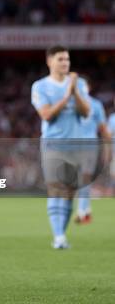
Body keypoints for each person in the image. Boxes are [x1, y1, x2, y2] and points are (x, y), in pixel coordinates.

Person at [31, 46, 90, 249]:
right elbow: (46, 115)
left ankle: (61, 234)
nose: (65, 63)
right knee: (56, 189)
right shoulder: (40, 87)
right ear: (50, 61)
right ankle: (58, 237)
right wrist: (66, 96)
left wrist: (74, 91)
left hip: (77, 144)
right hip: (53, 144)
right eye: (60, 59)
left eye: (67, 59)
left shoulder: (79, 84)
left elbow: (85, 112)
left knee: (70, 192)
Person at [75, 78, 111, 224]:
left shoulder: (77, 105)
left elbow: (103, 129)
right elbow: (104, 130)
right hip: (85, 145)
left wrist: (107, 148)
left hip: (83, 145)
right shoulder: (94, 105)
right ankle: (86, 209)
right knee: (83, 178)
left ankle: (82, 211)